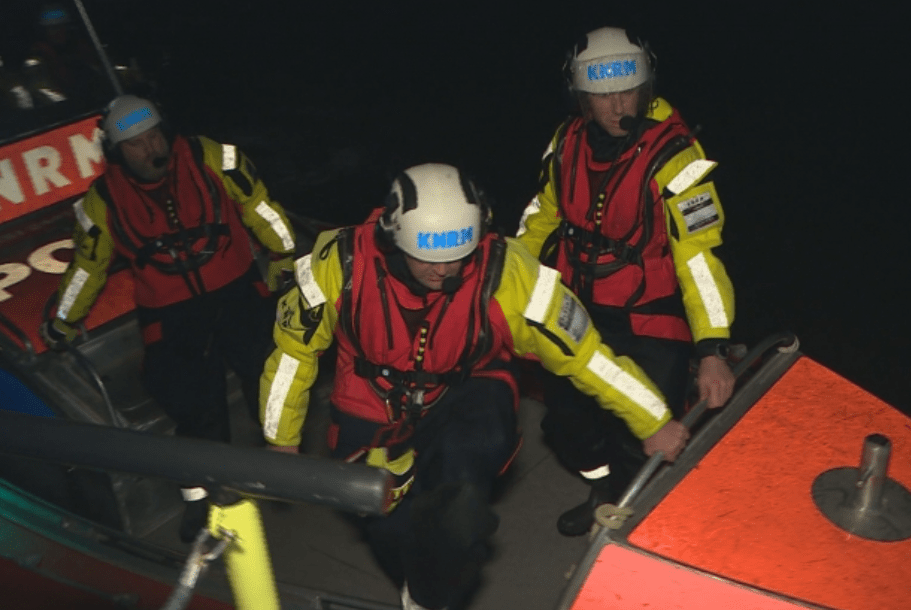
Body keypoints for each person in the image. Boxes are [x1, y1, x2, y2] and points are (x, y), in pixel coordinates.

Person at [260, 162, 689, 610]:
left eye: (457, 255)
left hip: (467, 394)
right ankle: (418, 580)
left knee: (459, 515)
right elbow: (294, 354)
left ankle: (429, 597)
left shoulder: (509, 275)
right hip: (371, 403)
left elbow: (586, 357)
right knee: (383, 523)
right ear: (393, 237)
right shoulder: (339, 265)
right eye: (428, 256)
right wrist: (280, 439)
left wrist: (653, 419)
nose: (443, 270)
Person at [41, 94, 297, 542]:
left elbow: (258, 206)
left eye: (156, 135)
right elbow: (88, 266)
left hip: (237, 289)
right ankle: (200, 499)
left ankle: (286, 471)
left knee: (270, 377)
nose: (151, 148)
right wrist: (62, 321)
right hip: (171, 311)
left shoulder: (213, 157)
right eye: (136, 144)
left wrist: (287, 255)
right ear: (117, 153)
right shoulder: (102, 202)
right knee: (193, 403)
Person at [515, 26, 737, 537]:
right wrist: (502, 276)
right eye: (602, 94)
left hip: (648, 314)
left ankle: (626, 523)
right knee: (566, 424)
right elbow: (542, 217)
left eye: (627, 91)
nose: (617, 106)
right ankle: (604, 487)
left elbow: (699, 259)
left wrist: (712, 348)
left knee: (647, 427)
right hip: (575, 306)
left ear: (645, 89)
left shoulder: (676, 155)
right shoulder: (565, 140)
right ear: (581, 98)